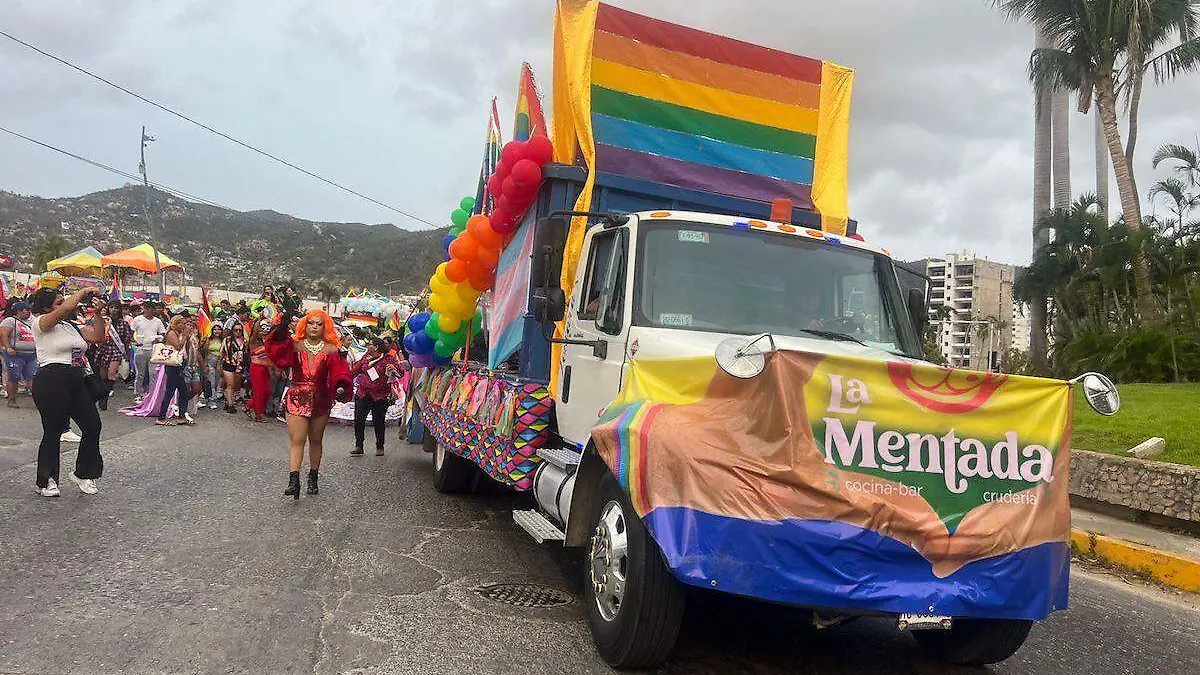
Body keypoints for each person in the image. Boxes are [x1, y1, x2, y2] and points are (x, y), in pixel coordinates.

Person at [27, 287, 108, 497]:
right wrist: (82, 291)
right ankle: (46, 480)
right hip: (51, 379)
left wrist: (98, 315)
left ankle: (84, 473)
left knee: (92, 426)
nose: (64, 305)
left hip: (76, 379)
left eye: (63, 301)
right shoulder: (41, 323)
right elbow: (67, 308)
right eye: (58, 302)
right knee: (53, 431)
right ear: (46, 307)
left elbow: (98, 337)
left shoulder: (71, 326)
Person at [265, 309, 351, 499]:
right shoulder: (295, 345)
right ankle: (293, 480)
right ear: (305, 324)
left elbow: (340, 371)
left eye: (319, 324)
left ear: (325, 327)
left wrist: (340, 386)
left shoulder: (332, 349)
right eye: (311, 323)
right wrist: (281, 328)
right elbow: (277, 350)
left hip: (321, 398)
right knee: (298, 440)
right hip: (297, 396)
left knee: (316, 439)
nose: (314, 327)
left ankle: (313, 476)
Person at [350, 338, 404, 457]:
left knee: (378, 421)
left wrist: (394, 369)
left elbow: (401, 372)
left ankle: (380, 446)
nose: (368, 346)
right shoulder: (366, 358)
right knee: (359, 419)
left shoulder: (388, 359)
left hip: (380, 396)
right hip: (363, 393)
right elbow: (354, 371)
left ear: (376, 347)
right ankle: (359, 445)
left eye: (370, 345)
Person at [155, 315, 194, 426]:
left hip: (179, 366)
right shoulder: (171, 333)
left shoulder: (177, 333)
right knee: (170, 392)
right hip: (173, 367)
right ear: (176, 324)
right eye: (182, 323)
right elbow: (177, 346)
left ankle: (181, 416)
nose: (184, 325)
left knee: (183, 392)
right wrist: (185, 336)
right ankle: (161, 417)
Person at [89, 304, 128, 411]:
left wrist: (127, 353)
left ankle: (105, 397)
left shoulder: (123, 323)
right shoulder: (103, 321)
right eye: (111, 307)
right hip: (103, 349)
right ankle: (101, 394)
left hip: (115, 350)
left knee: (112, 372)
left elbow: (126, 339)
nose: (114, 310)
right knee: (102, 375)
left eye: (116, 308)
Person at [1, 301, 37, 408]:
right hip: (15, 354)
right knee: (14, 377)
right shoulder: (9, 321)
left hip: (31, 354)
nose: (29, 312)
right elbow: (3, 335)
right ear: (19, 311)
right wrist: (8, 347)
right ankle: (12, 399)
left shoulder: (33, 320)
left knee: (33, 376)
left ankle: (38, 400)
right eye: (27, 310)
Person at [130, 302, 166, 400]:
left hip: (153, 349)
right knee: (140, 374)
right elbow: (132, 332)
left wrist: (158, 338)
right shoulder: (137, 320)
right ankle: (137, 394)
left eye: (152, 308)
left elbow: (163, 333)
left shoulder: (157, 321)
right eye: (148, 308)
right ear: (144, 308)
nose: (150, 310)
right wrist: (134, 340)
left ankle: (151, 394)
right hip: (140, 348)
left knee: (153, 373)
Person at [246, 319, 274, 423]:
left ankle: (248, 406)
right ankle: (259, 414)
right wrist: (260, 319)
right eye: (262, 328)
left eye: (267, 329)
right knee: (258, 392)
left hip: (265, 368)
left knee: (267, 391)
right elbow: (255, 330)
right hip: (256, 368)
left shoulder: (268, 341)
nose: (264, 330)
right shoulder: (254, 340)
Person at [220, 319, 246, 413]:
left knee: (235, 385)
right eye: (236, 330)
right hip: (228, 364)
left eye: (240, 330)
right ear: (232, 330)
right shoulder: (227, 340)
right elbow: (222, 353)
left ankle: (227, 402)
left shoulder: (245, 341)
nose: (238, 332)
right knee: (230, 384)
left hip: (239, 366)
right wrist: (219, 365)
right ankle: (231, 405)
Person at [202, 325, 224, 409]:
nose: (217, 331)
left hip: (220, 362)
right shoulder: (209, 339)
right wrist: (205, 364)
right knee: (211, 381)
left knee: (217, 382)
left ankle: (213, 397)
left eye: (219, 329)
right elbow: (205, 352)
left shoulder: (223, 340)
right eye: (215, 329)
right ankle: (211, 400)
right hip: (210, 361)